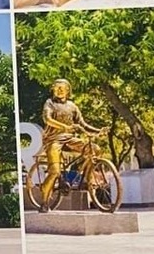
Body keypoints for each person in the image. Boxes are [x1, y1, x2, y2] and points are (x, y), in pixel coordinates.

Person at [38, 78, 105, 212]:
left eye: (62, 88)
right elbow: (47, 119)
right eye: (56, 88)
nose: (59, 90)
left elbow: (82, 124)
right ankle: (44, 202)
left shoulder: (72, 106)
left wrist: (98, 131)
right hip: (53, 140)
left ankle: (87, 176)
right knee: (54, 172)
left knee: (95, 149)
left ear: (68, 91)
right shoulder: (49, 103)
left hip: (69, 139)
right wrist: (64, 126)